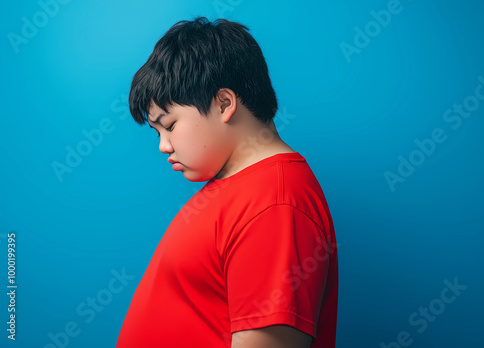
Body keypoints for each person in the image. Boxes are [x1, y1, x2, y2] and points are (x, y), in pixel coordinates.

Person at [116, 17, 338, 348]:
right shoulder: (238, 187)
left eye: (170, 125)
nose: (163, 145)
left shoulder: (275, 205)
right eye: (157, 132)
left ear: (224, 104)